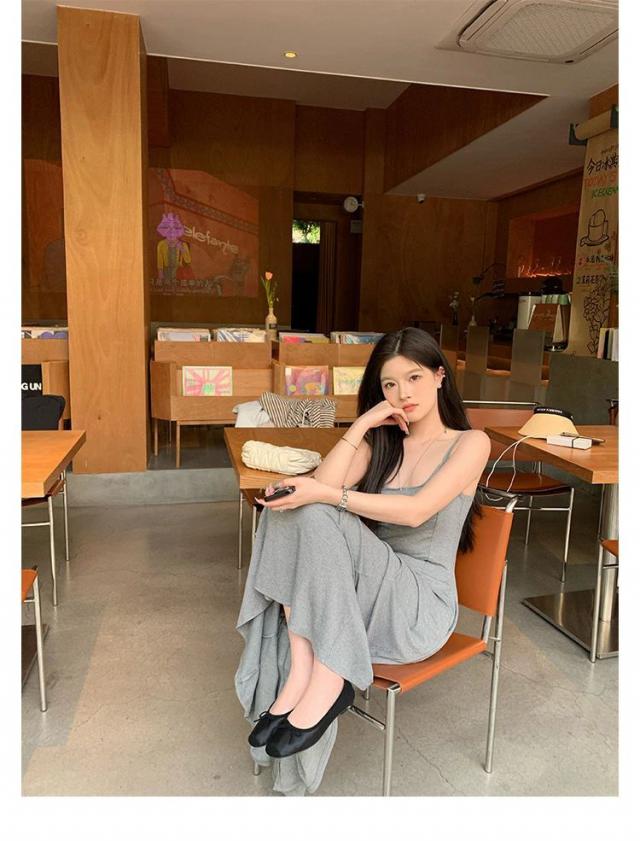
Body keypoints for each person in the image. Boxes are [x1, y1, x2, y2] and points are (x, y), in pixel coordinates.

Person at [235, 327, 490, 765]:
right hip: (363, 598)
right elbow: (321, 487)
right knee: (287, 505)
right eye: (390, 384)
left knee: (313, 503)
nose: (402, 393)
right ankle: (303, 671)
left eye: (413, 378)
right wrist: (362, 425)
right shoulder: (383, 443)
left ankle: (330, 678)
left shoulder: (470, 443)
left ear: (439, 376)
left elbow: (416, 512)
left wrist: (324, 494)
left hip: (417, 609)